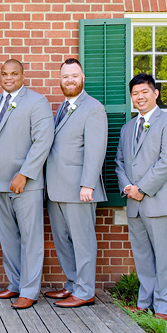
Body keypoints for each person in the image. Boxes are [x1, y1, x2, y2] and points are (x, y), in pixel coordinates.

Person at [0, 59, 54, 309]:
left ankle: (30, 290)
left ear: (23, 75)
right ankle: (14, 284)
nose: (8, 77)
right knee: (8, 237)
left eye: (14, 73)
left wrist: (25, 173)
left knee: (30, 238)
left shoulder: (37, 102)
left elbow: (43, 141)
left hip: (26, 184)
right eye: (4, 74)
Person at [114, 73, 167, 321]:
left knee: (165, 258)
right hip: (134, 203)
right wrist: (127, 188)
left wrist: (142, 188)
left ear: (155, 94)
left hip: (162, 202)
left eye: (144, 92)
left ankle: (164, 308)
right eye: (135, 93)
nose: (139, 97)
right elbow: (119, 162)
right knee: (143, 256)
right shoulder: (127, 128)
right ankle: (145, 302)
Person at [44, 58, 108, 308]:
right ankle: (71, 284)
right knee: (63, 240)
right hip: (57, 189)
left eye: (74, 76)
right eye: (65, 77)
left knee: (82, 241)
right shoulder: (63, 107)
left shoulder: (93, 108)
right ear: (59, 80)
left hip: (79, 189)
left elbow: (95, 150)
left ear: (83, 78)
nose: (69, 80)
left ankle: (85, 291)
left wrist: (88, 185)